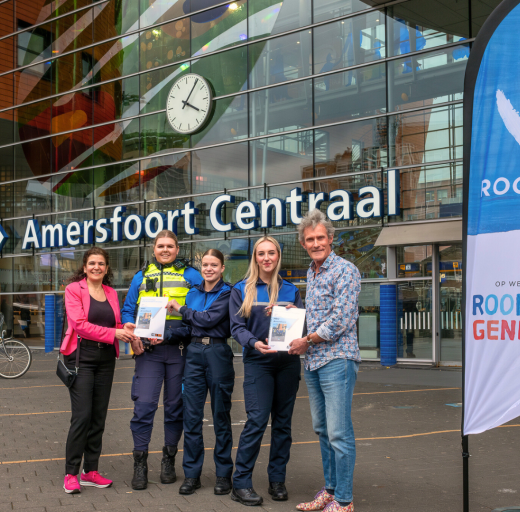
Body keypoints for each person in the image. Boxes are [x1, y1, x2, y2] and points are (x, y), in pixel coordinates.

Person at [289, 209, 361, 512]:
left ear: (330, 239)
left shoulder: (346, 270)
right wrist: (287, 314)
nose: (316, 243)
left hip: (337, 359)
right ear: (304, 243)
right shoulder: (312, 271)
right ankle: (330, 491)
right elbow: (317, 315)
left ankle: (344, 501)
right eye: (310, 239)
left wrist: (306, 340)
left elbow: (340, 319)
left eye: (320, 237)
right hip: (314, 361)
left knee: (339, 432)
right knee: (322, 430)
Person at [121, 230, 203, 491]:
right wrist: (128, 326)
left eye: (170, 246)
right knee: (143, 406)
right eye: (160, 246)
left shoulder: (192, 276)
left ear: (178, 249)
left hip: (179, 350)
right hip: (148, 352)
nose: (165, 250)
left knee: (174, 407)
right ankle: (140, 462)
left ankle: (169, 459)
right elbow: (128, 309)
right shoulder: (140, 276)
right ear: (153, 249)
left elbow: (201, 312)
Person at [229, 236, 304, 506]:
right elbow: (236, 327)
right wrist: (254, 343)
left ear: (278, 256)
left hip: (287, 363)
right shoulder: (241, 289)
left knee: (282, 424)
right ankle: (240, 484)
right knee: (257, 421)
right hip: (258, 362)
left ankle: (277, 481)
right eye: (261, 253)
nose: (266, 258)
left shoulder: (291, 290)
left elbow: (300, 329)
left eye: (271, 253)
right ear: (255, 257)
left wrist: (294, 313)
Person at [61, 248, 137, 494]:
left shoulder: (111, 292)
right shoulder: (74, 290)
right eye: (92, 263)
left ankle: (90, 471)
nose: (96, 267)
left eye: (101, 263)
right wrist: (115, 333)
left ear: (106, 268)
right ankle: (71, 473)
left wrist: (124, 327)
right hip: (82, 358)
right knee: (82, 417)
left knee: (98, 418)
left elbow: (114, 323)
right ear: (84, 267)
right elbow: (80, 326)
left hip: (106, 359)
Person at [161, 249, 234, 496]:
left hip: (217, 353)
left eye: (214, 264)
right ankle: (192, 475)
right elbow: (188, 328)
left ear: (222, 268)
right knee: (191, 417)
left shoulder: (228, 293)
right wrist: (164, 335)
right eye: (205, 264)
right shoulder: (192, 293)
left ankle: (223, 475)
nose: (209, 268)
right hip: (193, 354)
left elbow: (208, 320)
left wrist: (181, 310)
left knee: (221, 416)